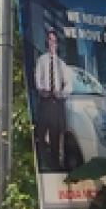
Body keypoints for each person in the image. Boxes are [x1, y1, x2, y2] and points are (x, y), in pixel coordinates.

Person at [34, 28, 71, 171]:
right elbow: (38, 79)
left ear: (57, 44)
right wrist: (42, 89)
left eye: (54, 41)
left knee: (55, 137)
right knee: (41, 134)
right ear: (46, 42)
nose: (52, 43)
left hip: (56, 103)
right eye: (50, 40)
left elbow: (69, 84)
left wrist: (61, 93)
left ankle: (55, 165)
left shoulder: (61, 64)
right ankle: (42, 163)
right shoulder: (41, 60)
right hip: (44, 102)